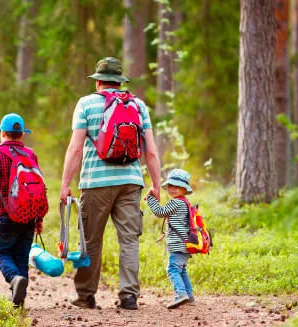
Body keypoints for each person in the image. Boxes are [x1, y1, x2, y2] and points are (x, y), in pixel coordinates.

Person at [60, 57, 161, 310]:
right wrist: (156, 185)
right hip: (131, 182)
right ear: (119, 81)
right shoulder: (138, 105)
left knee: (91, 240)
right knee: (129, 240)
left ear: (98, 82)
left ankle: (85, 296)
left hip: (95, 183)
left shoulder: (85, 104)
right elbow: (150, 151)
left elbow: (75, 148)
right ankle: (129, 296)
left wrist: (65, 184)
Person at [0, 113, 45, 308]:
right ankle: (19, 302)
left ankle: (13, 279)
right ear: (22, 135)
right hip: (29, 214)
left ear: (2, 133)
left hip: (6, 214)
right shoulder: (31, 154)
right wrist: (39, 218)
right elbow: (39, 189)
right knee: (21, 256)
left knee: (2, 252)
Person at [146, 169, 196, 309]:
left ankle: (181, 294)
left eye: (177, 187)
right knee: (181, 269)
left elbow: (159, 212)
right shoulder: (184, 202)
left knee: (172, 269)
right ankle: (189, 296)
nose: (173, 189)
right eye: (170, 186)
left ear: (184, 189)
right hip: (185, 244)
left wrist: (151, 198)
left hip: (178, 245)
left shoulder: (177, 203)